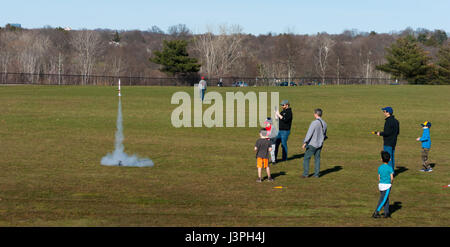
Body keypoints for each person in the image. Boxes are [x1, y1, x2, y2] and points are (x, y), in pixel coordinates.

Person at [302, 108, 327, 178]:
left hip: (312, 144)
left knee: (306, 158)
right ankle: (316, 174)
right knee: (317, 159)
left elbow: (309, 133)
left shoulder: (314, 123)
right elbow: (324, 134)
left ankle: (305, 174)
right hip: (320, 144)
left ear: (316, 114)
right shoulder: (325, 123)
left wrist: (305, 142)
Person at [376, 107, 400, 171]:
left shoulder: (388, 121)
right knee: (392, 157)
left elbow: (386, 133)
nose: (384, 113)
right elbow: (397, 132)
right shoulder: (396, 121)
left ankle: (389, 173)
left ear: (388, 112)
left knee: (387, 157)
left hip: (388, 142)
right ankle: (392, 172)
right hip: (394, 142)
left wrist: (380, 133)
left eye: (384, 112)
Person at [372, 151, 394, 219]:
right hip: (387, 186)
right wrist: (391, 183)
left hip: (381, 185)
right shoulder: (390, 168)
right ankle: (376, 212)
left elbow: (379, 177)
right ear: (390, 159)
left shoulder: (380, 167)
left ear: (381, 159)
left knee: (386, 199)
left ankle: (386, 213)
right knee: (383, 199)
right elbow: (392, 178)